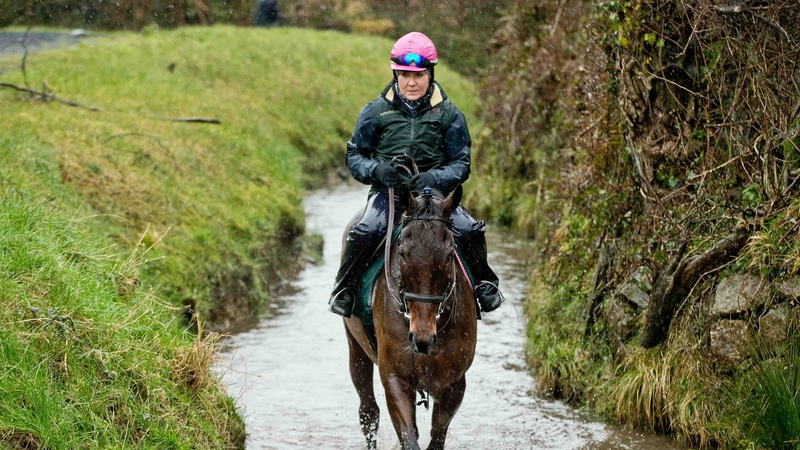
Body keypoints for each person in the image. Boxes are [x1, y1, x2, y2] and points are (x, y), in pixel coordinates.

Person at [328, 31, 502, 318]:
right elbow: (355, 155)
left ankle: (485, 284)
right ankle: (344, 289)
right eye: (404, 75)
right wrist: (377, 170)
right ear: (396, 74)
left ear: (430, 75)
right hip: (389, 196)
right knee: (365, 230)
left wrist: (435, 178)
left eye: (419, 75)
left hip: (435, 197)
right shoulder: (375, 112)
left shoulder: (449, 114)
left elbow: (461, 164)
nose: (411, 83)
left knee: (470, 229)